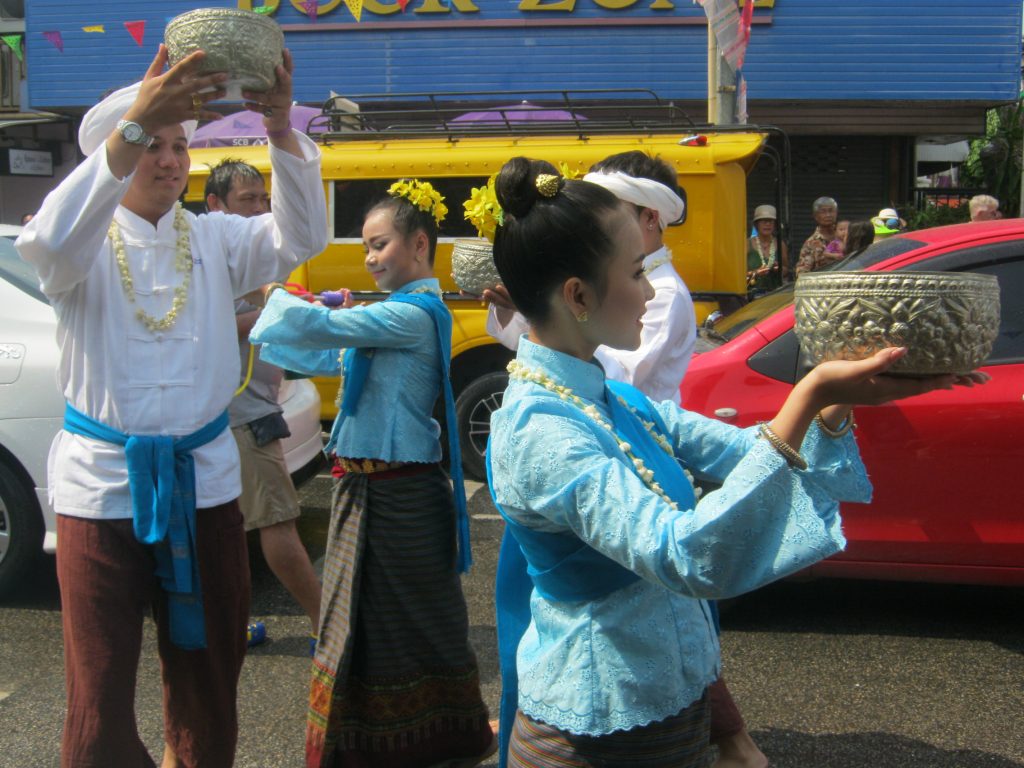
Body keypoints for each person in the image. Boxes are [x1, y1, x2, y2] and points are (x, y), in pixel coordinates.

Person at [486, 157, 986, 768]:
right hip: (594, 728)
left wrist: (831, 404)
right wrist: (809, 394)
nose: (649, 291)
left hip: (663, 702)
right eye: (636, 272)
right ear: (578, 294)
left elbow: (753, 449)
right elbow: (680, 551)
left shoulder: (607, 396)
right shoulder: (542, 429)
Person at [16, 45, 328, 768]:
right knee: (97, 693)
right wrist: (134, 127)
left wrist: (280, 127)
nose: (168, 160)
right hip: (101, 490)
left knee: (210, 676)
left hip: (208, 484)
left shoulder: (217, 238)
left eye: (178, 144)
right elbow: (48, 241)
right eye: (149, 143)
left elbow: (302, 234)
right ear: (112, 156)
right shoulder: (77, 247)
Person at [249, 179, 495, 768]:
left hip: (400, 494)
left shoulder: (416, 313)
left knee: (409, 624)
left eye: (379, 244)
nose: (369, 258)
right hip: (371, 488)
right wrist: (307, 313)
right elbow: (321, 351)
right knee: (374, 624)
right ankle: (390, 743)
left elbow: (329, 333)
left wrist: (273, 296)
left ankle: (430, 738)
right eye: (365, 247)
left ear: (419, 244)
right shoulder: (391, 315)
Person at [204, 158, 323, 652]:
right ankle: (328, 625)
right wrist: (273, 311)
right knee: (276, 521)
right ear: (214, 206)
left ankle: (225, 627)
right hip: (240, 417)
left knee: (227, 530)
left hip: (249, 411)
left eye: (262, 199)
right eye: (245, 200)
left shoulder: (245, 259)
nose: (257, 210)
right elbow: (210, 321)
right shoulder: (211, 257)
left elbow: (263, 298)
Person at [486, 150, 696, 404]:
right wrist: (532, 301)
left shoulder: (666, 293)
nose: (592, 219)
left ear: (650, 217)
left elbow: (623, 377)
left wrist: (553, 314)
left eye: (611, 205)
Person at [746, 203, 787, 297]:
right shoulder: (747, 245)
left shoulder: (780, 244)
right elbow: (739, 275)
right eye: (763, 221)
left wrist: (779, 269)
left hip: (775, 295)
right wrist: (756, 273)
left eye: (770, 222)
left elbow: (786, 269)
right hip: (751, 295)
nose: (767, 225)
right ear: (756, 224)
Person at [795, 196, 840, 274]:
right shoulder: (811, 243)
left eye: (831, 211)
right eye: (823, 212)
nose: (828, 215)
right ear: (816, 216)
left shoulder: (845, 235)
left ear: (836, 213)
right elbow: (802, 272)